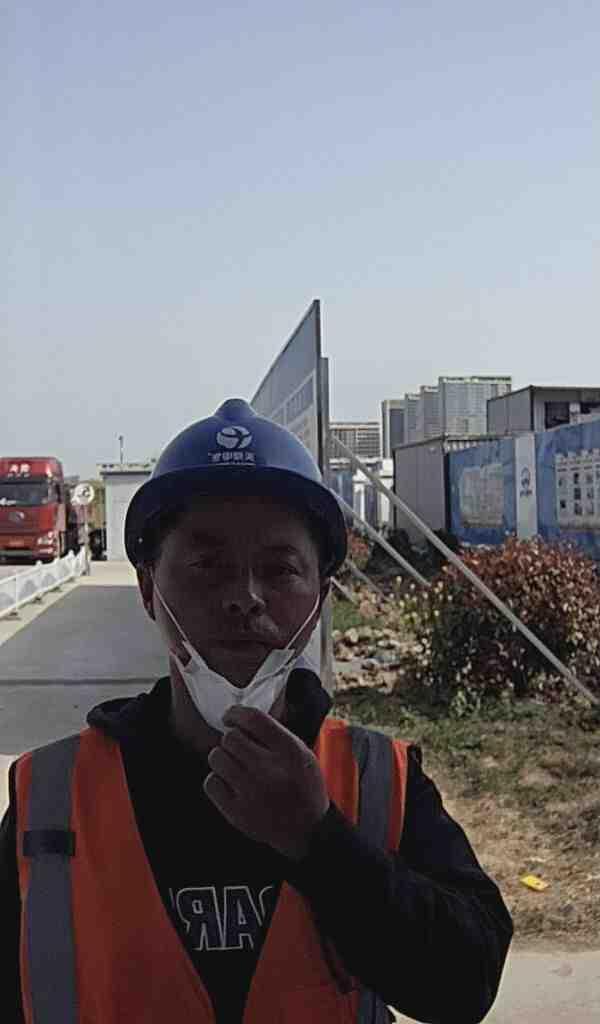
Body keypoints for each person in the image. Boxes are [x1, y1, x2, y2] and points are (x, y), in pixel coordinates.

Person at [0, 399, 513, 1023]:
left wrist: (321, 842)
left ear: (320, 599)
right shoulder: (52, 797)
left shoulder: (380, 778)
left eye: (280, 569)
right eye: (206, 564)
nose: (244, 597)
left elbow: (465, 987)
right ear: (148, 589)